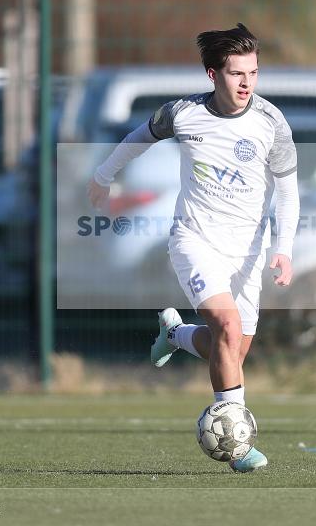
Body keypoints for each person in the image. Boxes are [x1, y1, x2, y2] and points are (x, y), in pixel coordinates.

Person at [87, 23, 299, 472]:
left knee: (232, 350)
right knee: (225, 325)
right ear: (212, 74)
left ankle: (176, 334)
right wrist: (103, 177)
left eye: (254, 73)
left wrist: (284, 248)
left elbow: (288, 190)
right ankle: (237, 445)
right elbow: (135, 140)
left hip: (248, 252)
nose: (247, 84)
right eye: (237, 74)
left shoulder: (270, 122)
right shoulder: (181, 114)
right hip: (194, 240)